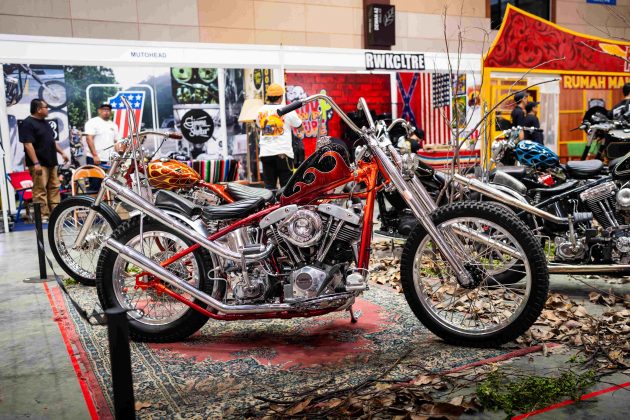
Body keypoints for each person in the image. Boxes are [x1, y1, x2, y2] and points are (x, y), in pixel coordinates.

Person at [19, 99, 69, 221]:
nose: (48, 109)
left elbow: (52, 141)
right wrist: (36, 163)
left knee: (54, 188)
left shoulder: (45, 123)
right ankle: (43, 215)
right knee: (40, 190)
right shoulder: (27, 123)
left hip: (51, 161)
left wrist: (62, 152)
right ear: (38, 109)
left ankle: (56, 213)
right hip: (39, 163)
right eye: (46, 107)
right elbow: (28, 145)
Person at [256, 83, 305, 190]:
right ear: (281, 97)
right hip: (283, 153)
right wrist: (301, 132)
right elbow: (299, 125)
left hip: (266, 153)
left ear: (268, 96)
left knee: (269, 187)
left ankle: (271, 201)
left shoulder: (260, 110)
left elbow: (260, 126)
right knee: (286, 187)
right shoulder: (287, 109)